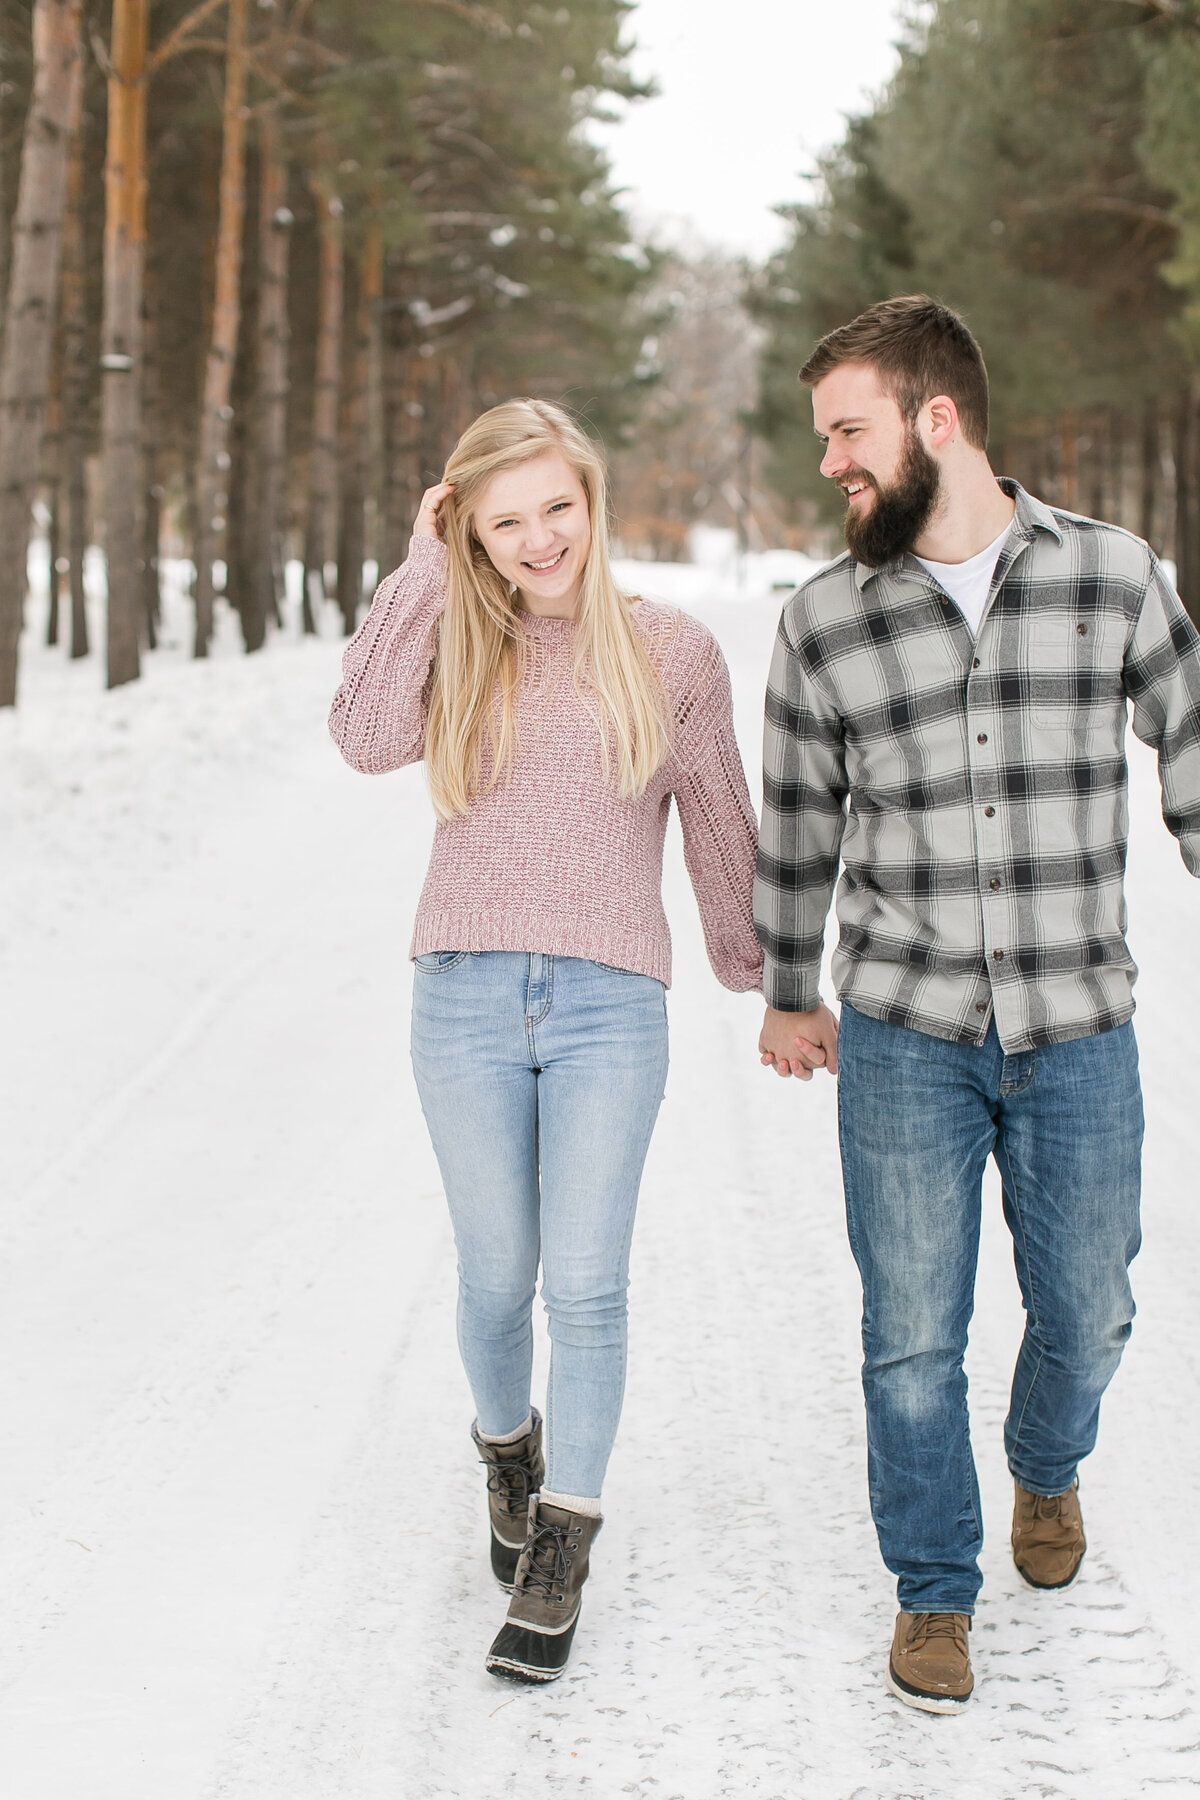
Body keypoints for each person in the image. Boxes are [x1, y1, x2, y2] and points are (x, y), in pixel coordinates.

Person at [754, 295, 1200, 1714]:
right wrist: (784, 986)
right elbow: (799, 824)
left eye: (849, 431)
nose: (830, 462)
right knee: (909, 1336)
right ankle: (935, 1591)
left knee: (1093, 1310)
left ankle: (1048, 1468)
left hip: (1078, 1028)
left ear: (935, 419)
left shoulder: (1116, 577)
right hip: (904, 1032)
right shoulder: (823, 619)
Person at [329, 399, 763, 1683]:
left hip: (608, 1008)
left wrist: (758, 971)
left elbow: (720, 820)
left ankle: (563, 1536)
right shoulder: (458, 636)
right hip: (460, 994)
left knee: (587, 1282)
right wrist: (423, 563)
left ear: (595, 498)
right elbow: (360, 737)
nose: (537, 540)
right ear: (468, 524)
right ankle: (505, 1445)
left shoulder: (669, 650)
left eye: (556, 508)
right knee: (493, 1274)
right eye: (502, 519)